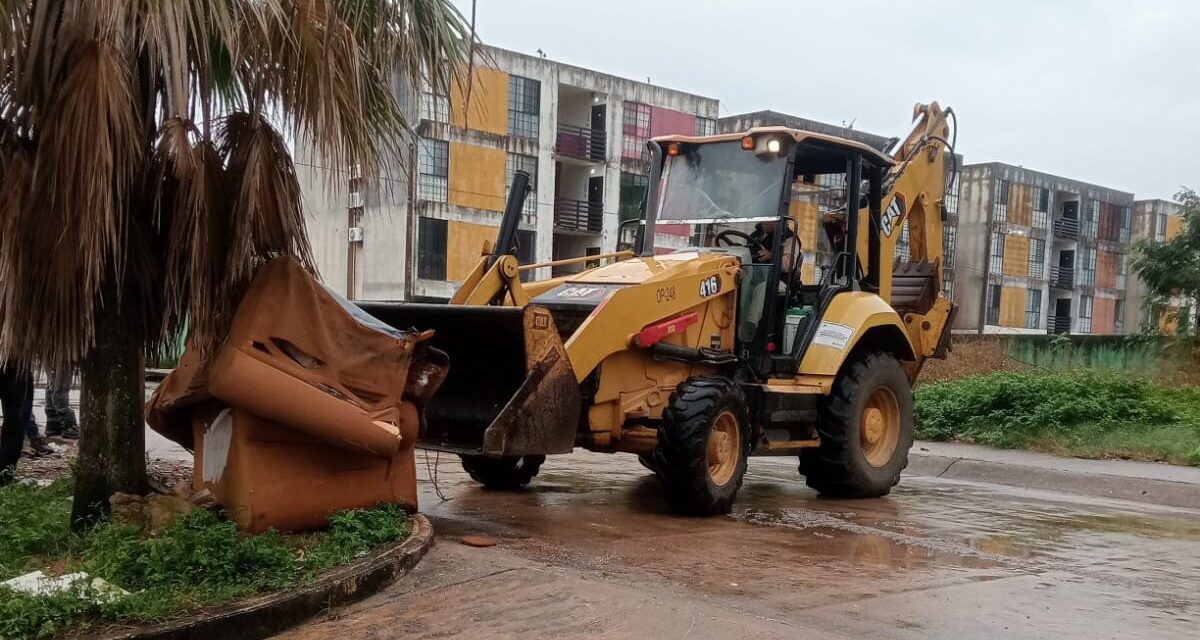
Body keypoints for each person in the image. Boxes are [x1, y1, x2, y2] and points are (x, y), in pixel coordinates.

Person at [0, 363, 34, 486]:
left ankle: (5, 472)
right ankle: (5, 474)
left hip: (15, 362)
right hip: (16, 363)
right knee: (16, 421)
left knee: (16, 421)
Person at [44, 366, 78, 439]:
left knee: (53, 380)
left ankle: (53, 423)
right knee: (60, 381)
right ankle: (68, 426)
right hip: (60, 356)